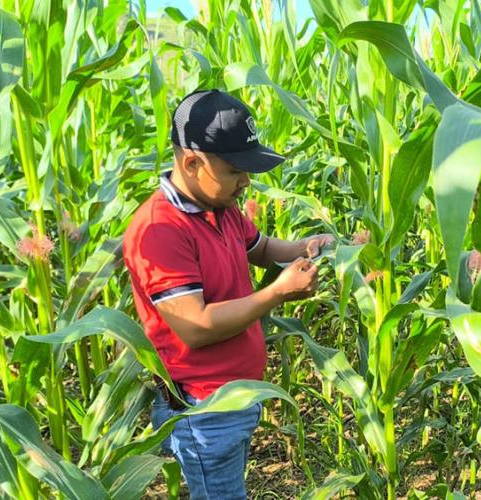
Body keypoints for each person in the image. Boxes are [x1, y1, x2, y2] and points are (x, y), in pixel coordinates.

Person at [122, 88, 334, 499]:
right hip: (204, 410)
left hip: (234, 398)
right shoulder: (160, 230)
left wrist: (308, 246)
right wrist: (277, 293)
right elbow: (195, 326)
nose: (246, 181)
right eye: (235, 170)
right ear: (192, 163)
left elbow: (262, 248)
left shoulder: (219, 206)